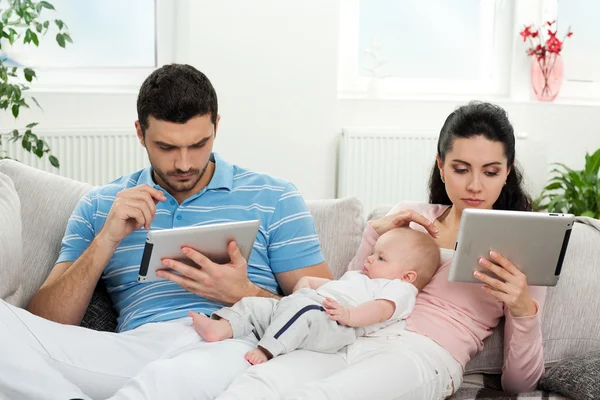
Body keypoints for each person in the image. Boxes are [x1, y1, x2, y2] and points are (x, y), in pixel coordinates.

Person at [0, 64, 333, 400]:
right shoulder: (100, 205)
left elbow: (334, 313)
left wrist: (244, 292)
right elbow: (46, 321)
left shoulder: (275, 198)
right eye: (167, 147)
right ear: (140, 133)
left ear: (216, 127)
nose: (185, 164)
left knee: (171, 380)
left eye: (198, 144)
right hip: (133, 349)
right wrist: (106, 239)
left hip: (230, 343)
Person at [216, 101, 546, 400]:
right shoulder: (409, 216)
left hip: (423, 354)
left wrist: (521, 307)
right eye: (461, 169)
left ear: (507, 172)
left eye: (490, 171)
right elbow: (352, 289)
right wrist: (373, 235)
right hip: (352, 334)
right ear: (441, 166)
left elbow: (520, 384)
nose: (475, 185)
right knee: (256, 383)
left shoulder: (522, 245)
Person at [191, 227, 440, 365]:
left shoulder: (399, 289)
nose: (370, 258)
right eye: (374, 252)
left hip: (338, 326)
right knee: (256, 304)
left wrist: (349, 315)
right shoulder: (360, 278)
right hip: (312, 308)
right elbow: (329, 285)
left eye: (381, 258)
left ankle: (267, 350)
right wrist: (306, 282)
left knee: (304, 312)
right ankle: (222, 327)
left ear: (407, 276)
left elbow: (381, 309)